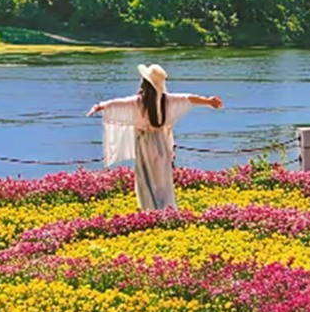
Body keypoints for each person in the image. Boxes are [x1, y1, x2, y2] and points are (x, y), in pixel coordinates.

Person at [87, 63, 223, 211]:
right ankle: (165, 206)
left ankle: (149, 207)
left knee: (146, 177)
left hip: (144, 142)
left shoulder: (139, 101)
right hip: (161, 142)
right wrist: (208, 101)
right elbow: (188, 98)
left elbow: (117, 103)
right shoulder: (167, 100)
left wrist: (99, 106)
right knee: (162, 177)